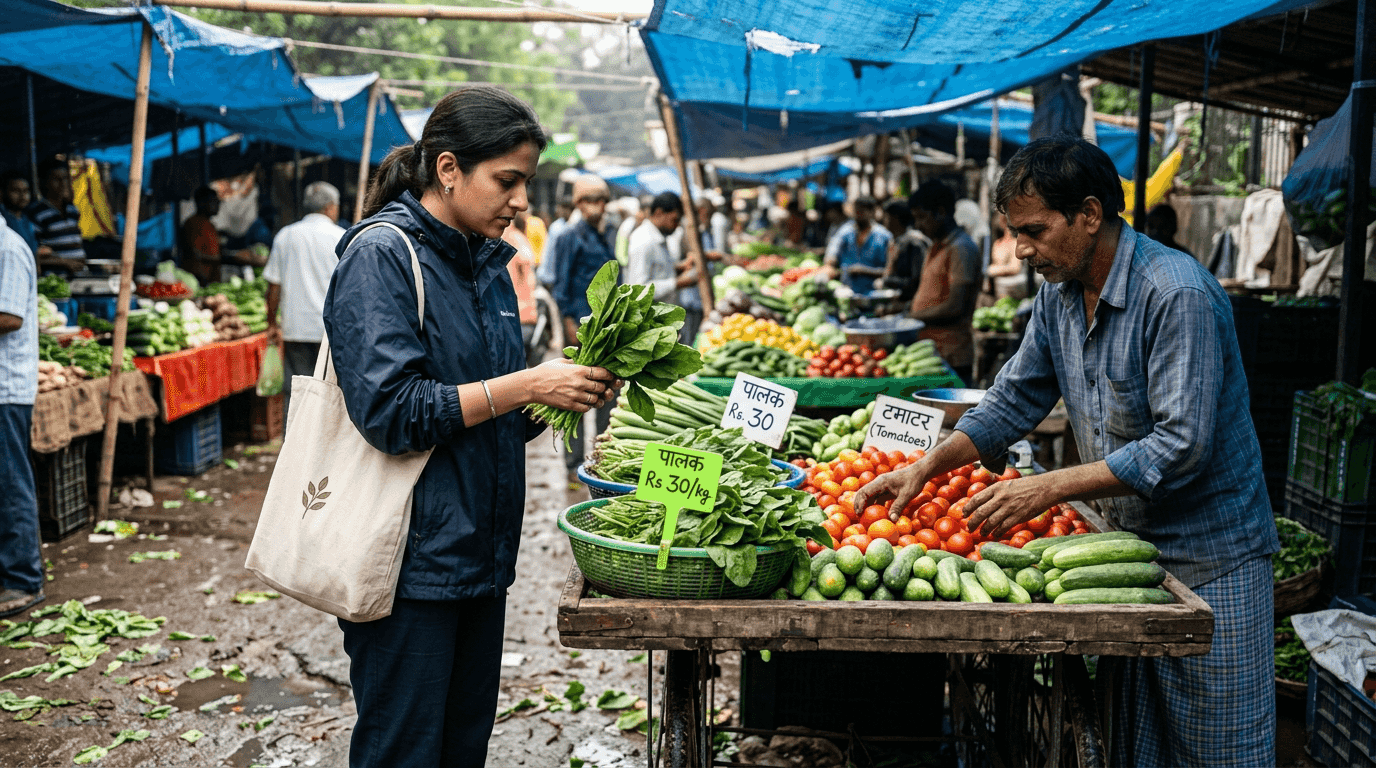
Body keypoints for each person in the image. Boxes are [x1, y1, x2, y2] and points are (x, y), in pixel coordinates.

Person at [856, 135, 1279, 768]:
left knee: (1217, 749)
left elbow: (1180, 445)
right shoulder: (1057, 297)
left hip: (1212, 558)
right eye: (1014, 233)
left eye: (1033, 231)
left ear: (1089, 213)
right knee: (1138, 745)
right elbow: (1011, 400)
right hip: (1126, 557)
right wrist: (925, 465)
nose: (1021, 250)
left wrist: (1049, 486)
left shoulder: (1175, 295)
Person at [323, 86, 619, 768]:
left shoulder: (485, 264)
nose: (521, 202)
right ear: (449, 169)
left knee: (462, 751)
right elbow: (393, 412)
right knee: (404, 753)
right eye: (507, 181)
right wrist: (526, 383)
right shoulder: (382, 256)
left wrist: (560, 392)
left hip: (479, 558)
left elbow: (486, 417)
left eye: (527, 183)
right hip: (408, 569)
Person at [551, 175, 618, 481]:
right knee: (575, 397)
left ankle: (602, 458)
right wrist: (567, 324)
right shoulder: (568, 236)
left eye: (601, 200)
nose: (596, 207)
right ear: (578, 204)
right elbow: (561, 287)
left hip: (607, 330)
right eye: (590, 200)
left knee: (607, 393)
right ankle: (572, 465)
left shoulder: (607, 234)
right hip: (580, 329)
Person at [263, 181, 345, 418]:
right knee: (331, 393)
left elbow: (273, 286)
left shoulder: (286, 236)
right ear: (331, 207)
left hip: (295, 329)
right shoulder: (340, 237)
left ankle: (293, 447)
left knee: (297, 392)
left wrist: (271, 322)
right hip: (330, 332)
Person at [0, 212, 44, 619]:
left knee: (11, 483)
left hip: (6, 389)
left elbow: (9, 318)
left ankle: (23, 580)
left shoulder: (8, 248)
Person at [906, 181, 980, 383]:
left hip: (952, 354)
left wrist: (910, 318)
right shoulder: (937, 246)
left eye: (922, 217)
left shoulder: (961, 249)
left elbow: (954, 307)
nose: (918, 225)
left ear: (941, 212)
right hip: (932, 350)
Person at [626, 192, 697, 303]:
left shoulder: (658, 237)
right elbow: (638, 290)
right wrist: (677, 283)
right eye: (675, 220)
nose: (677, 225)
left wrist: (679, 268)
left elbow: (658, 271)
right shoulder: (644, 241)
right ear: (659, 213)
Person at [26, 157, 85, 270]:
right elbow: (35, 253)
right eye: (56, 179)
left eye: (64, 179)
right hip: (54, 277)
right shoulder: (37, 212)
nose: (62, 184)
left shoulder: (73, 210)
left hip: (78, 274)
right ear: (44, 182)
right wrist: (65, 262)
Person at [824, 196, 892, 294]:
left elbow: (890, 270)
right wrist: (830, 265)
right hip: (848, 292)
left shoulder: (884, 236)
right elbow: (831, 254)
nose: (858, 215)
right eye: (856, 211)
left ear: (872, 212)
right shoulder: (845, 232)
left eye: (862, 211)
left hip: (876, 293)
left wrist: (865, 271)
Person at [880, 198, 929, 303]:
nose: (884, 220)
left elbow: (916, 280)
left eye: (886, 217)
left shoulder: (914, 242)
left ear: (894, 218)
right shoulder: (896, 242)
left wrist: (887, 281)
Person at [1, 171, 48, 261]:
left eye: (25, 191)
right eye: (16, 190)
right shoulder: (3, 219)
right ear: (2, 192)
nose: (22, 195)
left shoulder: (27, 219)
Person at [181, 186, 223, 286]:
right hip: (199, 280)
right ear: (201, 203)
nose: (218, 204)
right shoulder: (193, 224)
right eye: (213, 201)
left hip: (211, 280)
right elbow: (196, 253)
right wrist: (223, 258)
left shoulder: (209, 225)